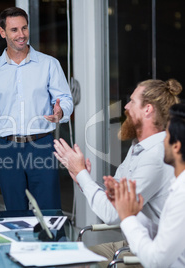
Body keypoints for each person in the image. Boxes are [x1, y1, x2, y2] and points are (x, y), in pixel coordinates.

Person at [53, 79, 182, 266]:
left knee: (72, 264)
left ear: (148, 109)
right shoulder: (138, 146)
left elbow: (112, 212)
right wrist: (82, 179)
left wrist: (81, 172)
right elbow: (113, 197)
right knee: (67, 259)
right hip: (130, 243)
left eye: (132, 101)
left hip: (148, 253)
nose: (126, 107)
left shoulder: (156, 156)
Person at [0, 7, 73, 210]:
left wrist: (60, 112)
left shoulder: (49, 64)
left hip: (42, 145)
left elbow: (64, 99)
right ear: (2, 32)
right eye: (14, 30)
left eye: (24, 28)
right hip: (8, 149)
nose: (21, 35)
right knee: (15, 212)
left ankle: (53, 243)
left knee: (50, 212)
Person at [113, 103, 185, 267]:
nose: (162, 142)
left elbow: (155, 260)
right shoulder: (177, 186)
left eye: (165, 136)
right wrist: (137, 215)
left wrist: (128, 217)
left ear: (176, 146)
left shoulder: (182, 196)